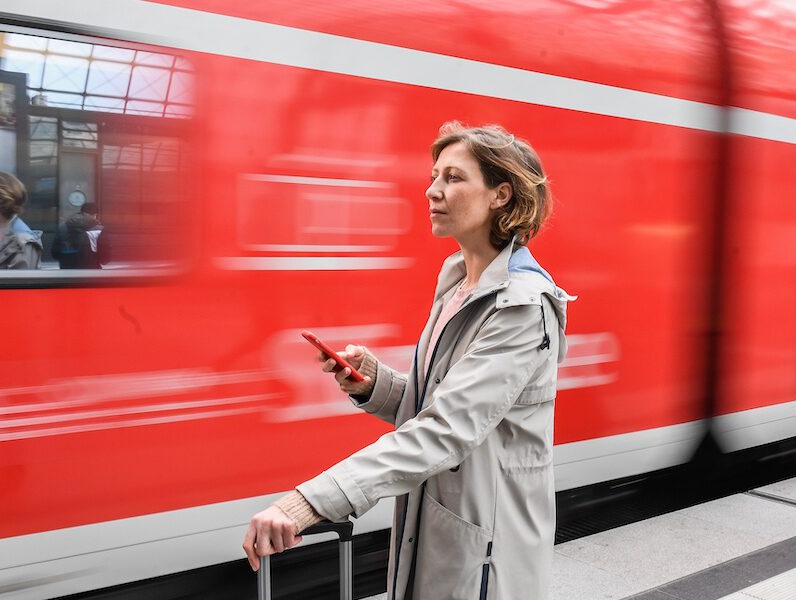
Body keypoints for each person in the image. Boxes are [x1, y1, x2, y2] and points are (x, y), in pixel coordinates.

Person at [243, 122, 572, 599]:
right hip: (444, 532)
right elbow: (440, 405)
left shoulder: (520, 307)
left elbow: (446, 428)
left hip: (487, 554)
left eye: (454, 178)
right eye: (435, 175)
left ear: (501, 195)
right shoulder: (460, 283)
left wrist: (310, 502)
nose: (432, 190)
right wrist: (375, 384)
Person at [52, 202, 110, 269]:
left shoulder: (63, 227)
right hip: (91, 270)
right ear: (95, 215)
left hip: (67, 270)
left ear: (81, 212)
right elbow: (105, 256)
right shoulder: (99, 229)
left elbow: (55, 252)